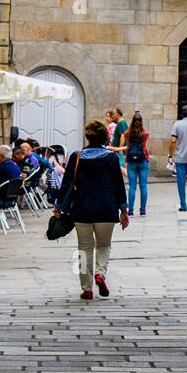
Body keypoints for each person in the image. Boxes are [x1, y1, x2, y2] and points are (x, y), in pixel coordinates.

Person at [57, 119, 129, 301]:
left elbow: (66, 184)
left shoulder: (77, 156)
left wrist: (58, 206)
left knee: (83, 249)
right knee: (104, 245)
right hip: (106, 208)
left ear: (88, 137)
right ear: (105, 137)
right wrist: (123, 209)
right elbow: (118, 185)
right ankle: (100, 274)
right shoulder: (111, 158)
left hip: (81, 208)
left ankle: (86, 288)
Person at [119, 111, 151, 217]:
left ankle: (131, 211)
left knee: (132, 187)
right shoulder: (145, 133)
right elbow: (144, 146)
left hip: (131, 161)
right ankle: (143, 211)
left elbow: (127, 144)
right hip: (143, 160)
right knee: (143, 186)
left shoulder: (127, 133)